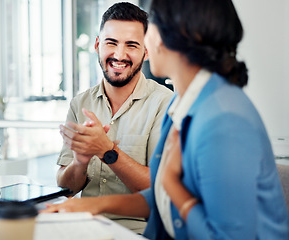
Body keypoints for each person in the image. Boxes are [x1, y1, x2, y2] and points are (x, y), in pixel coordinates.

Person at [45, 0, 289, 239]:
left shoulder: (224, 118)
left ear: (174, 37)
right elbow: (160, 200)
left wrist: (171, 183)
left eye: (151, 29)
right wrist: (92, 206)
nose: (145, 41)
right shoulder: (183, 103)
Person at [56, 2, 172, 233]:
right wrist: (80, 161)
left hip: (138, 232)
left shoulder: (165, 103)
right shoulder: (81, 103)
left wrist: (106, 150)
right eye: (111, 43)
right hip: (84, 228)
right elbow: (66, 188)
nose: (119, 55)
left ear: (146, 51)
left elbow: (159, 188)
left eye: (131, 45)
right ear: (98, 44)